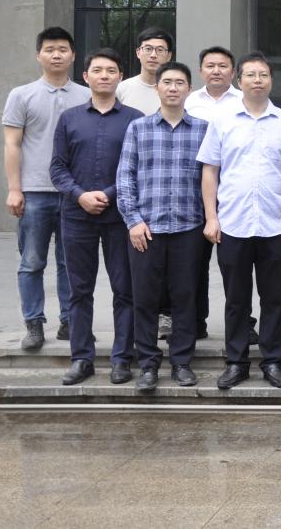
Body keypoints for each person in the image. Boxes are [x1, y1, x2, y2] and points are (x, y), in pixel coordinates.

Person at [199, 52, 281, 390]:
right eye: (251, 75)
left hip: (276, 224)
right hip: (233, 223)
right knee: (236, 299)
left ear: (271, 80)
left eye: (263, 74)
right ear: (239, 80)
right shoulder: (223, 121)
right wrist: (211, 217)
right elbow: (210, 170)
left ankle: (272, 361)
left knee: (273, 298)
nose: (257, 80)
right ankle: (236, 362)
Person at [50, 48, 143, 385]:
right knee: (79, 290)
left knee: (125, 290)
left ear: (120, 76)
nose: (105, 75)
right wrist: (81, 195)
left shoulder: (134, 119)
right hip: (77, 216)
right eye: (98, 70)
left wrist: (109, 194)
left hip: (120, 216)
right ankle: (81, 358)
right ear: (86, 76)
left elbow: (138, 168)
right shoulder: (69, 119)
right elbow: (57, 168)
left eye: (111, 70)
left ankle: (122, 359)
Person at [116, 61, 207, 393]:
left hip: (189, 227)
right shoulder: (138, 129)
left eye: (179, 82)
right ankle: (148, 364)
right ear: (157, 88)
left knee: (185, 297)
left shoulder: (204, 130)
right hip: (147, 229)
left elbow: (213, 179)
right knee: (145, 298)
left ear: (188, 89)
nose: (173, 88)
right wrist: (133, 221)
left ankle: (181, 362)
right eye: (167, 82)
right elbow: (125, 178)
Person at [2, 26, 90, 350]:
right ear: (38, 55)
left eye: (63, 49)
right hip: (35, 191)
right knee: (31, 261)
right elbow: (12, 144)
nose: (56, 55)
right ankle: (34, 323)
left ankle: (70, 320)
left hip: (74, 194)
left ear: (73, 55)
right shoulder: (21, 95)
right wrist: (15, 189)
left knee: (71, 263)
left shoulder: (86, 95)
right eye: (50, 49)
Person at [183, 45, 245, 342]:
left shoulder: (244, 100)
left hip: (235, 190)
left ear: (233, 72)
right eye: (210, 66)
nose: (216, 71)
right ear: (201, 71)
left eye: (223, 66)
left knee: (237, 264)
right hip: (194, 190)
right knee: (194, 262)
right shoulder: (189, 102)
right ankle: (195, 321)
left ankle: (244, 322)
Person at [115, 27, 172, 115]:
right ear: (138, 52)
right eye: (148, 49)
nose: (153, 55)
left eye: (160, 50)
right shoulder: (121, 89)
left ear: (168, 56)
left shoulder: (175, 90)